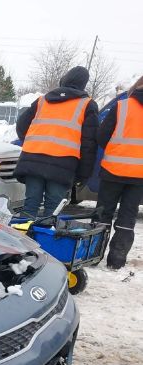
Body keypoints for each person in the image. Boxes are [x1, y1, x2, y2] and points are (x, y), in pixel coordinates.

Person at [14, 66, 99, 217]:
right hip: (62, 165)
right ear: (83, 84)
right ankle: (44, 239)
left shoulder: (42, 100)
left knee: (30, 205)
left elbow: (21, 126)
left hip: (33, 159)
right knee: (52, 210)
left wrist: (32, 141)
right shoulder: (87, 105)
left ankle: (23, 238)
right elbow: (89, 144)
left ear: (64, 79)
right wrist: (84, 174)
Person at [95, 74, 143, 270]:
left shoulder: (122, 106)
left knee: (102, 214)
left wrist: (116, 149)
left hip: (113, 169)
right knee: (127, 217)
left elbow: (101, 136)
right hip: (139, 175)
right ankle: (116, 261)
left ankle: (93, 255)